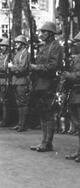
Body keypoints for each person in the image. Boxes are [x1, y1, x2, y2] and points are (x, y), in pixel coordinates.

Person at [29, 22, 63, 152]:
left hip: (49, 83)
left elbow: (53, 66)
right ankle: (44, 141)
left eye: (44, 32)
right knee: (42, 114)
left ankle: (48, 142)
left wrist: (36, 67)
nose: (41, 34)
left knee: (48, 114)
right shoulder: (45, 47)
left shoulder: (56, 47)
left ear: (51, 33)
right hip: (39, 83)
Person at [8, 35, 30, 132]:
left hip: (22, 80)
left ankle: (23, 124)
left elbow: (22, 68)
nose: (16, 44)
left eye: (18, 43)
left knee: (23, 103)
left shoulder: (25, 53)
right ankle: (20, 123)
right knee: (19, 103)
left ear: (22, 44)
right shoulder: (18, 53)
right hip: (16, 81)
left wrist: (12, 67)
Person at [64, 32, 80, 162]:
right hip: (75, 93)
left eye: (78, 42)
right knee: (77, 123)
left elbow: (78, 75)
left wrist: (67, 75)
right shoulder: (76, 58)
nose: (75, 45)